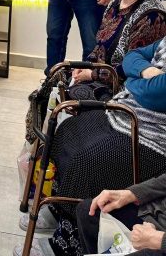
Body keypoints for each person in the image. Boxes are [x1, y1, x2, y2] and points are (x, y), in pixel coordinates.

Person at [14, 38, 166, 256]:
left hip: (152, 136)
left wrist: (135, 80)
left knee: (88, 160)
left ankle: (68, 240)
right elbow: (131, 56)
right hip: (124, 111)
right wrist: (146, 72)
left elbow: (157, 92)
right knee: (67, 130)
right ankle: (60, 207)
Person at [71, 0, 166, 89]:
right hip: (102, 75)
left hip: (126, 88)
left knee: (69, 94)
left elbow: (133, 66)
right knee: (57, 79)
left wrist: (92, 75)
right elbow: (100, 45)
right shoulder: (116, 1)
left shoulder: (152, 16)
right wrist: (85, 66)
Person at [76, 173, 166, 255]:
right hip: (154, 211)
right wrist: (132, 193)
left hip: (160, 240)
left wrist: (158, 240)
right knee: (88, 210)